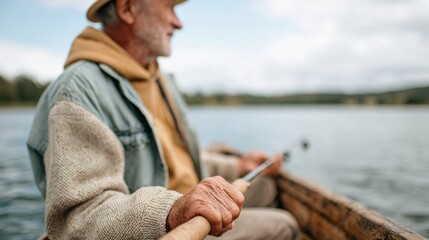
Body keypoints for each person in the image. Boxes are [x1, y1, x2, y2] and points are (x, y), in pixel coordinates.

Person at [27, 0, 299, 239]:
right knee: (285, 225)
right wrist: (172, 209)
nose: (178, 22)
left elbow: (179, 162)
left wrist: (237, 165)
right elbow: (79, 219)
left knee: (264, 184)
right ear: (127, 8)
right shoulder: (77, 92)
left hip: (189, 207)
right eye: (168, 6)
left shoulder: (158, 79)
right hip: (168, 228)